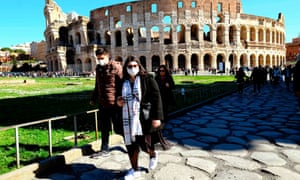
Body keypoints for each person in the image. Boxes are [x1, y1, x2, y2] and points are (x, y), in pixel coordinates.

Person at [116, 57, 163, 179]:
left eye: (134, 66)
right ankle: (135, 170)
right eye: (129, 66)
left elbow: (157, 98)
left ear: (139, 66)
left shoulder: (148, 79)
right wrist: (118, 102)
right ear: (126, 68)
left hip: (143, 118)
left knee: (145, 146)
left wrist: (157, 117)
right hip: (127, 119)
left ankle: (152, 154)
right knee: (131, 146)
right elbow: (118, 97)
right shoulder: (122, 81)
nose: (132, 68)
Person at [89, 48, 123, 157]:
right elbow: (97, 85)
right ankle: (104, 149)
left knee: (119, 127)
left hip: (114, 104)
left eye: (102, 58)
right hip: (103, 103)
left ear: (108, 56)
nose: (100, 60)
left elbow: (122, 84)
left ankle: (132, 144)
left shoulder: (116, 67)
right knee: (104, 127)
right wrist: (93, 98)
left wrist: (120, 99)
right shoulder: (98, 68)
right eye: (98, 59)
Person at [154, 64, 175, 150]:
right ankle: (160, 133)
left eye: (163, 71)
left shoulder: (168, 78)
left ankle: (161, 131)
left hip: (166, 100)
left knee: (165, 116)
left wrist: (168, 86)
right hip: (159, 100)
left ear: (165, 71)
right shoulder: (156, 78)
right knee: (160, 117)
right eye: (160, 71)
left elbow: (173, 85)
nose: (161, 72)